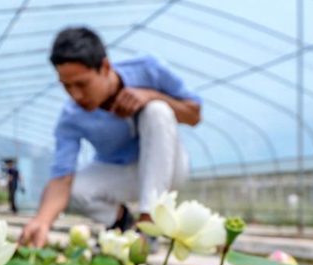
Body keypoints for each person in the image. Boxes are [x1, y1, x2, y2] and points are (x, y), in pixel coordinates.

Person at [20, 27, 202, 248]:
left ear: (105, 67)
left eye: (82, 84)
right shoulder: (71, 117)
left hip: (169, 167)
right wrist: (42, 221)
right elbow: (61, 178)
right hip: (122, 174)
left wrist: (150, 95)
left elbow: (194, 115)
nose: (75, 95)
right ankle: (123, 222)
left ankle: (148, 224)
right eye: (67, 86)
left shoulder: (147, 69)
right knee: (74, 189)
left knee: (157, 110)